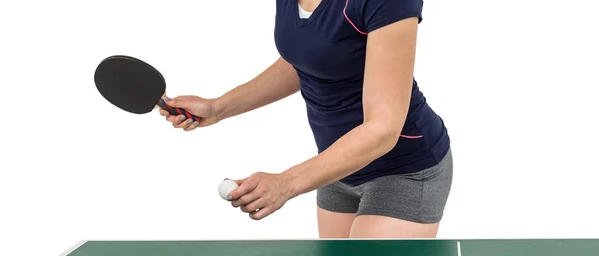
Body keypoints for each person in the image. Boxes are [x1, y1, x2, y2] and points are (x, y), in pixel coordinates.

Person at [159, 0, 452, 239]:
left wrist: (286, 183)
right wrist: (218, 107)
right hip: (336, 166)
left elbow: (383, 129)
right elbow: (307, 57)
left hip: (404, 169)